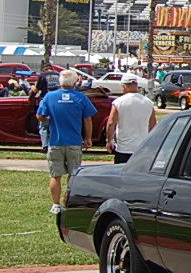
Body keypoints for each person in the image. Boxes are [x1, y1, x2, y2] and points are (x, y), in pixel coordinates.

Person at [36, 70, 97, 214]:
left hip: (55, 141)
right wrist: (88, 138)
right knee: (73, 175)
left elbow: (39, 115)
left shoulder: (50, 97)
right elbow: (87, 119)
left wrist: (49, 121)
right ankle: (69, 203)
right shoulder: (81, 97)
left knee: (55, 175)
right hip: (74, 142)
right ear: (75, 82)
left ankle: (55, 204)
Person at [105, 75, 156, 164]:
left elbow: (111, 123)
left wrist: (109, 141)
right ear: (136, 85)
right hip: (141, 148)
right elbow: (152, 124)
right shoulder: (148, 102)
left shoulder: (119, 102)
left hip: (123, 148)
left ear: (124, 86)